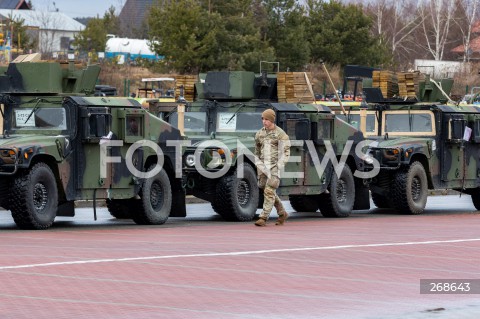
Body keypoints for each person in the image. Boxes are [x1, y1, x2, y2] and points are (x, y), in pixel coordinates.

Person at [254, 109, 290, 226]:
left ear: (272, 120)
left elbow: (286, 152)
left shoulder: (280, 134)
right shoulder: (260, 133)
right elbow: (257, 150)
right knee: (266, 189)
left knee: (269, 190)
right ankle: (282, 213)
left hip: (274, 166)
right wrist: (258, 163)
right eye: (263, 119)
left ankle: (263, 218)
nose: (264, 121)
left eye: (267, 119)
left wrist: (279, 165)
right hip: (263, 167)